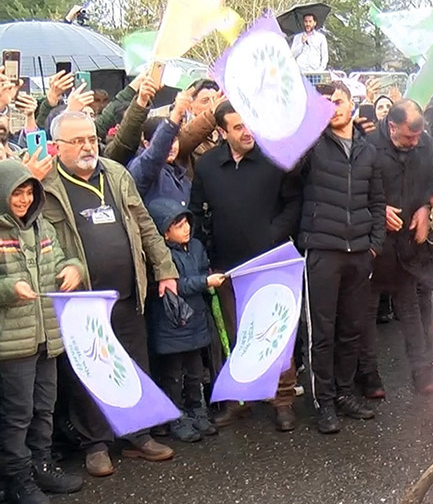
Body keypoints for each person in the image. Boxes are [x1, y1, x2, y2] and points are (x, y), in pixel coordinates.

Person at [42, 111, 179, 477]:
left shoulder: (115, 173)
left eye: (91, 138)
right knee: (88, 371)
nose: (88, 146)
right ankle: (96, 445)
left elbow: (144, 224)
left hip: (128, 292)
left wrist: (165, 268)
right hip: (82, 300)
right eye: (78, 141)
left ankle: (139, 435)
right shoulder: (47, 183)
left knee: (134, 363)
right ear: (57, 146)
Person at [190, 102, 302, 432]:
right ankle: (239, 400)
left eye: (249, 124)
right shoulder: (208, 166)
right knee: (236, 335)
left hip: (271, 262)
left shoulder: (273, 160)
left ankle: (282, 400)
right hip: (227, 267)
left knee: (277, 334)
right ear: (221, 132)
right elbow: (196, 210)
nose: (247, 131)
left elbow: (294, 202)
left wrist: (273, 233)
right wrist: (206, 252)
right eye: (237, 127)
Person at [298, 82, 385, 434]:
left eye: (337, 101)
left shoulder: (368, 151)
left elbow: (377, 201)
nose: (332, 108)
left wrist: (374, 244)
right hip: (322, 250)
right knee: (322, 332)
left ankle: (346, 393)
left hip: (359, 253)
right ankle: (325, 402)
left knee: (351, 328)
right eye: (325, 103)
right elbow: (289, 170)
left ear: (352, 105)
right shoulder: (312, 147)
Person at [0, 158, 85, 504]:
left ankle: (42, 465)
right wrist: (10, 288)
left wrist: (73, 269)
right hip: (13, 343)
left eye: (28, 192)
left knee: (44, 407)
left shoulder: (43, 227)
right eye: (16, 193)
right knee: (17, 414)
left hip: (47, 336)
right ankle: (17, 478)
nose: (23, 200)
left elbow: (66, 259)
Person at [359, 100, 433, 398]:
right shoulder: (368, 146)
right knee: (367, 312)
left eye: (417, 136)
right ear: (392, 127)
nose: (414, 142)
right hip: (375, 245)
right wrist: (377, 211)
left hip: (407, 244)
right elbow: (354, 190)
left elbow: (430, 183)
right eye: (408, 137)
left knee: (410, 308)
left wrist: (425, 208)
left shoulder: (426, 145)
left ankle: (422, 372)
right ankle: (369, 376)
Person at [146, 199, 223, 442]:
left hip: (196, 320)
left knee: (195, 372)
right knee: (172, 375)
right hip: (171, 324)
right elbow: (173, 286)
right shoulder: (161, 256)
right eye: (178, 225)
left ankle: (197, 410)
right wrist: (204, 282)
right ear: (165, 232)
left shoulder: (196, 246)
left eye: (186, 222)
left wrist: (207, 278)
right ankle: (176, 417)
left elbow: (202, 269)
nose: (186, 228)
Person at [128, 89, 194, 205]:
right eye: (168, 141)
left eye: (174, 140)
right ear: (146, 144)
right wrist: (176, 114)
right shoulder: (141, 169)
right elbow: (154, 154)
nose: (171, 147)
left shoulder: (182, 175)